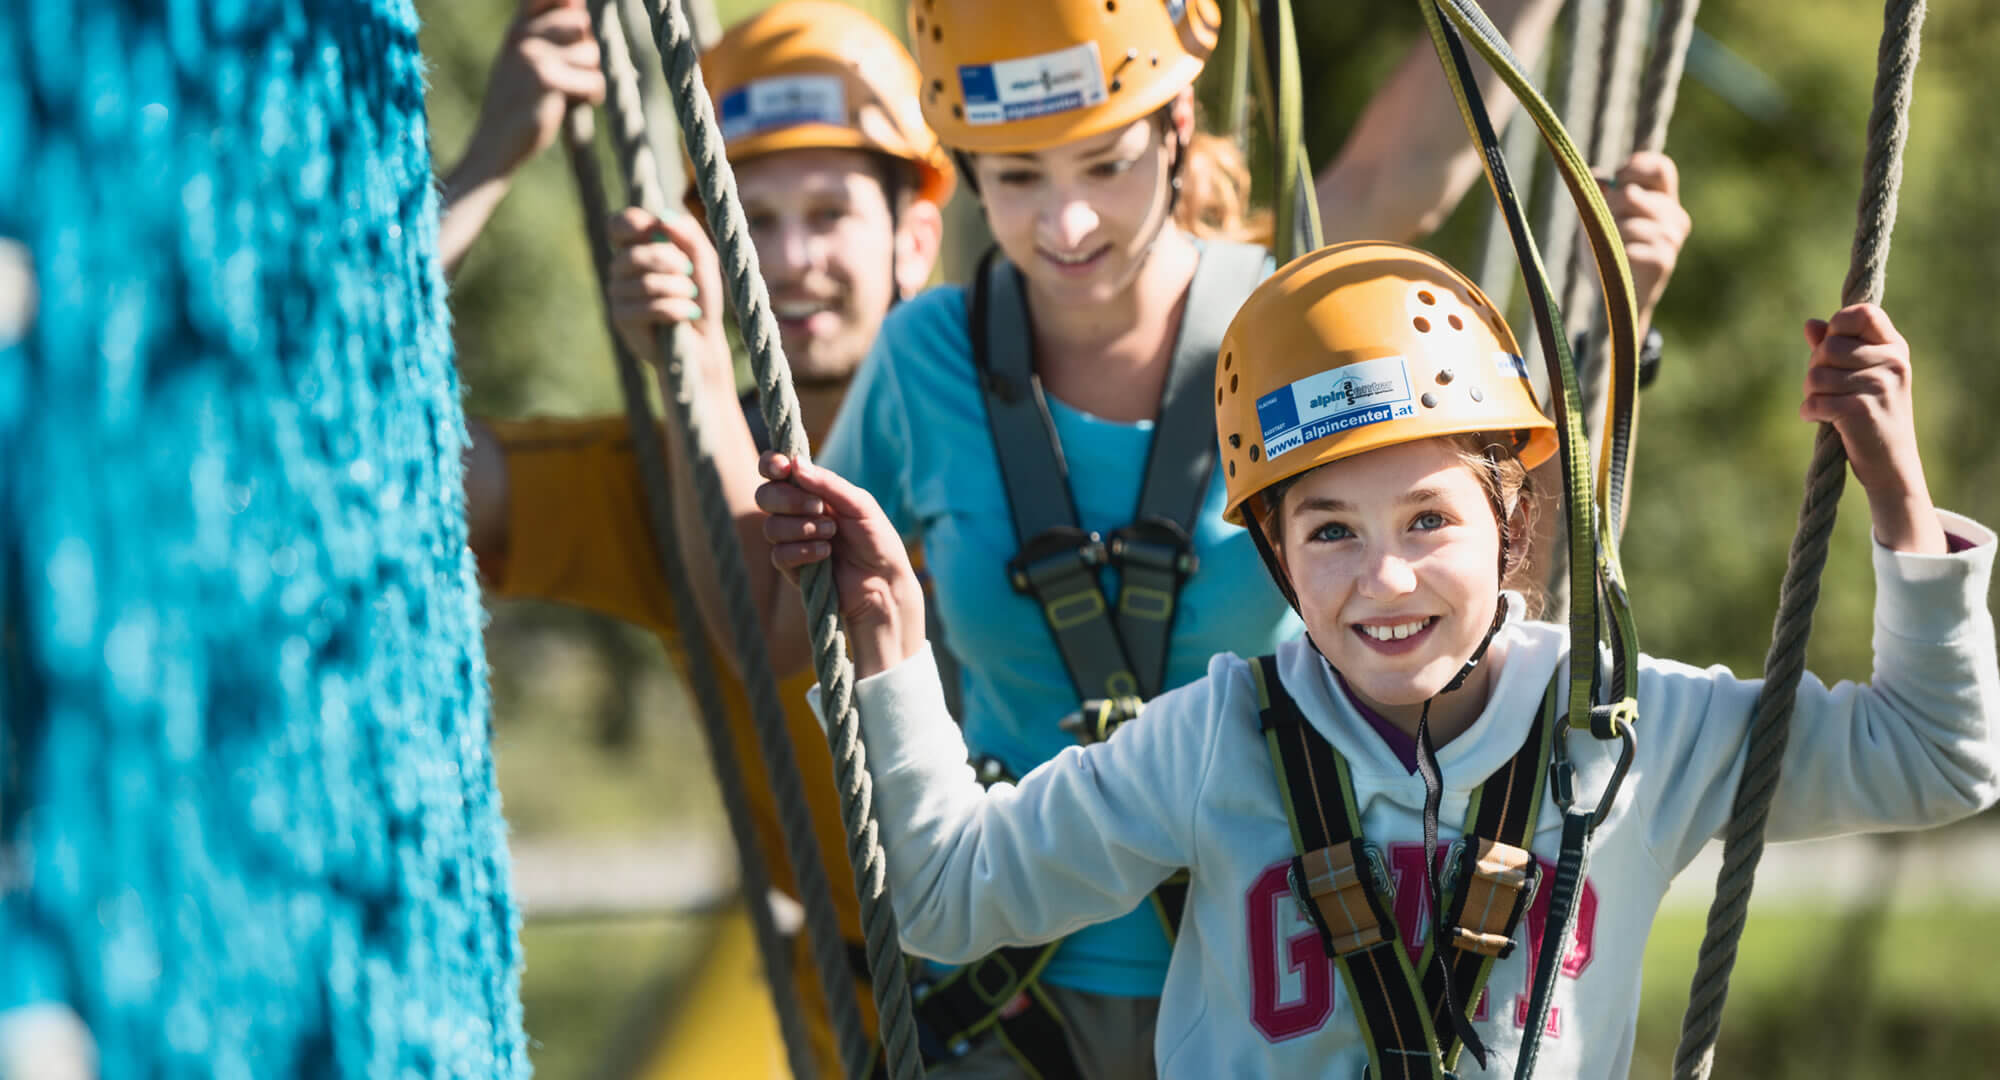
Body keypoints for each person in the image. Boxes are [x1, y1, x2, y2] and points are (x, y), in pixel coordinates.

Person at [605, 0, 1691, 1073]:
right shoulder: (920, 361)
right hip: (1007, 991)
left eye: (1103, 165)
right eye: (1019, 179)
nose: (1065, 225)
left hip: (1283, 987)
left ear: (1175, 135)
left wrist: (1608, 332)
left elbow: (1499, 588)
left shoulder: (1285, 337)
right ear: (971, 178)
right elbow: (770, 631)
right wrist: (697, 365)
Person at [755, 240, 2000, 1077]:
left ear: (1509, 525)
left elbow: (1934, 762)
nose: (1382, 579)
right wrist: (889, 643)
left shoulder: (1625, 730)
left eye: (1428, 522)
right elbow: (951, 897)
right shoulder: (1215, 739)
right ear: (1280, 561)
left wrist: (1893, 490)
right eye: (1329, 532)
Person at [448, 2, 956, 1075]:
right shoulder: (659, 480)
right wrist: (486, 165)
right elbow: (357, 457)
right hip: (857, 1034)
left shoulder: (1015, 450)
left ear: (913, 236)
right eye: (753, 222)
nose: (791, 258)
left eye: (827, 211)